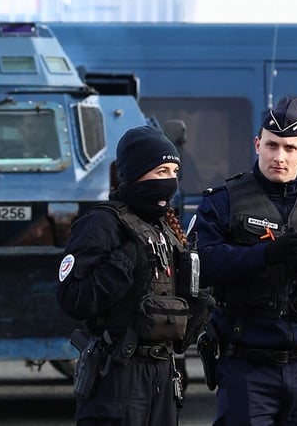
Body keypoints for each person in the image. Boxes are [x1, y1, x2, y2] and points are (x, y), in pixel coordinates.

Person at [188, 97, 297, 426]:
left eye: (289, 148)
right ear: (257, 144)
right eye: (271, 145)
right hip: (247, 364)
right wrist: (264, 255)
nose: (279, 157)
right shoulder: (223, 203)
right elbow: (200, 266)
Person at [57, 125, 202, 426]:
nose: (170, 181)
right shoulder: (101, 224)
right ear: (136, 174)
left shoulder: (166, 230)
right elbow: (74, 299)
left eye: (174, 171)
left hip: (162, 372)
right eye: (161, 171)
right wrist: (126, 260)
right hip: (118, 375)